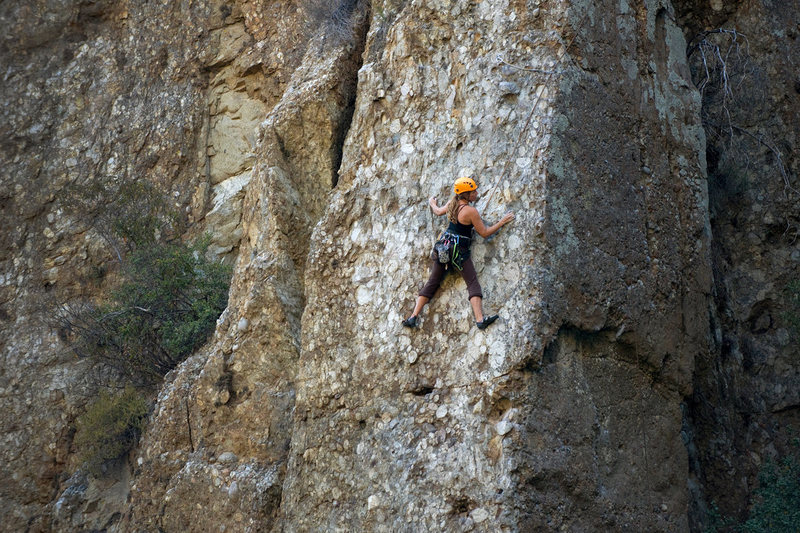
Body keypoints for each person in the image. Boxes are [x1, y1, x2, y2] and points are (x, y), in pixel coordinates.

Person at [402, 176, 514, 330]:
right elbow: (485, 233)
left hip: (444, 248)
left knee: (432, 282)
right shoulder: (470, 211)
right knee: (472, 282)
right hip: (459, 252)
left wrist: (432, 203)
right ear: (466, 194)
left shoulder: (452, 203)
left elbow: (438, 211)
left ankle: (412, 316)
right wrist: (501, 222)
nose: (476, 193)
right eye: (473, 191)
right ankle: (480, 320)